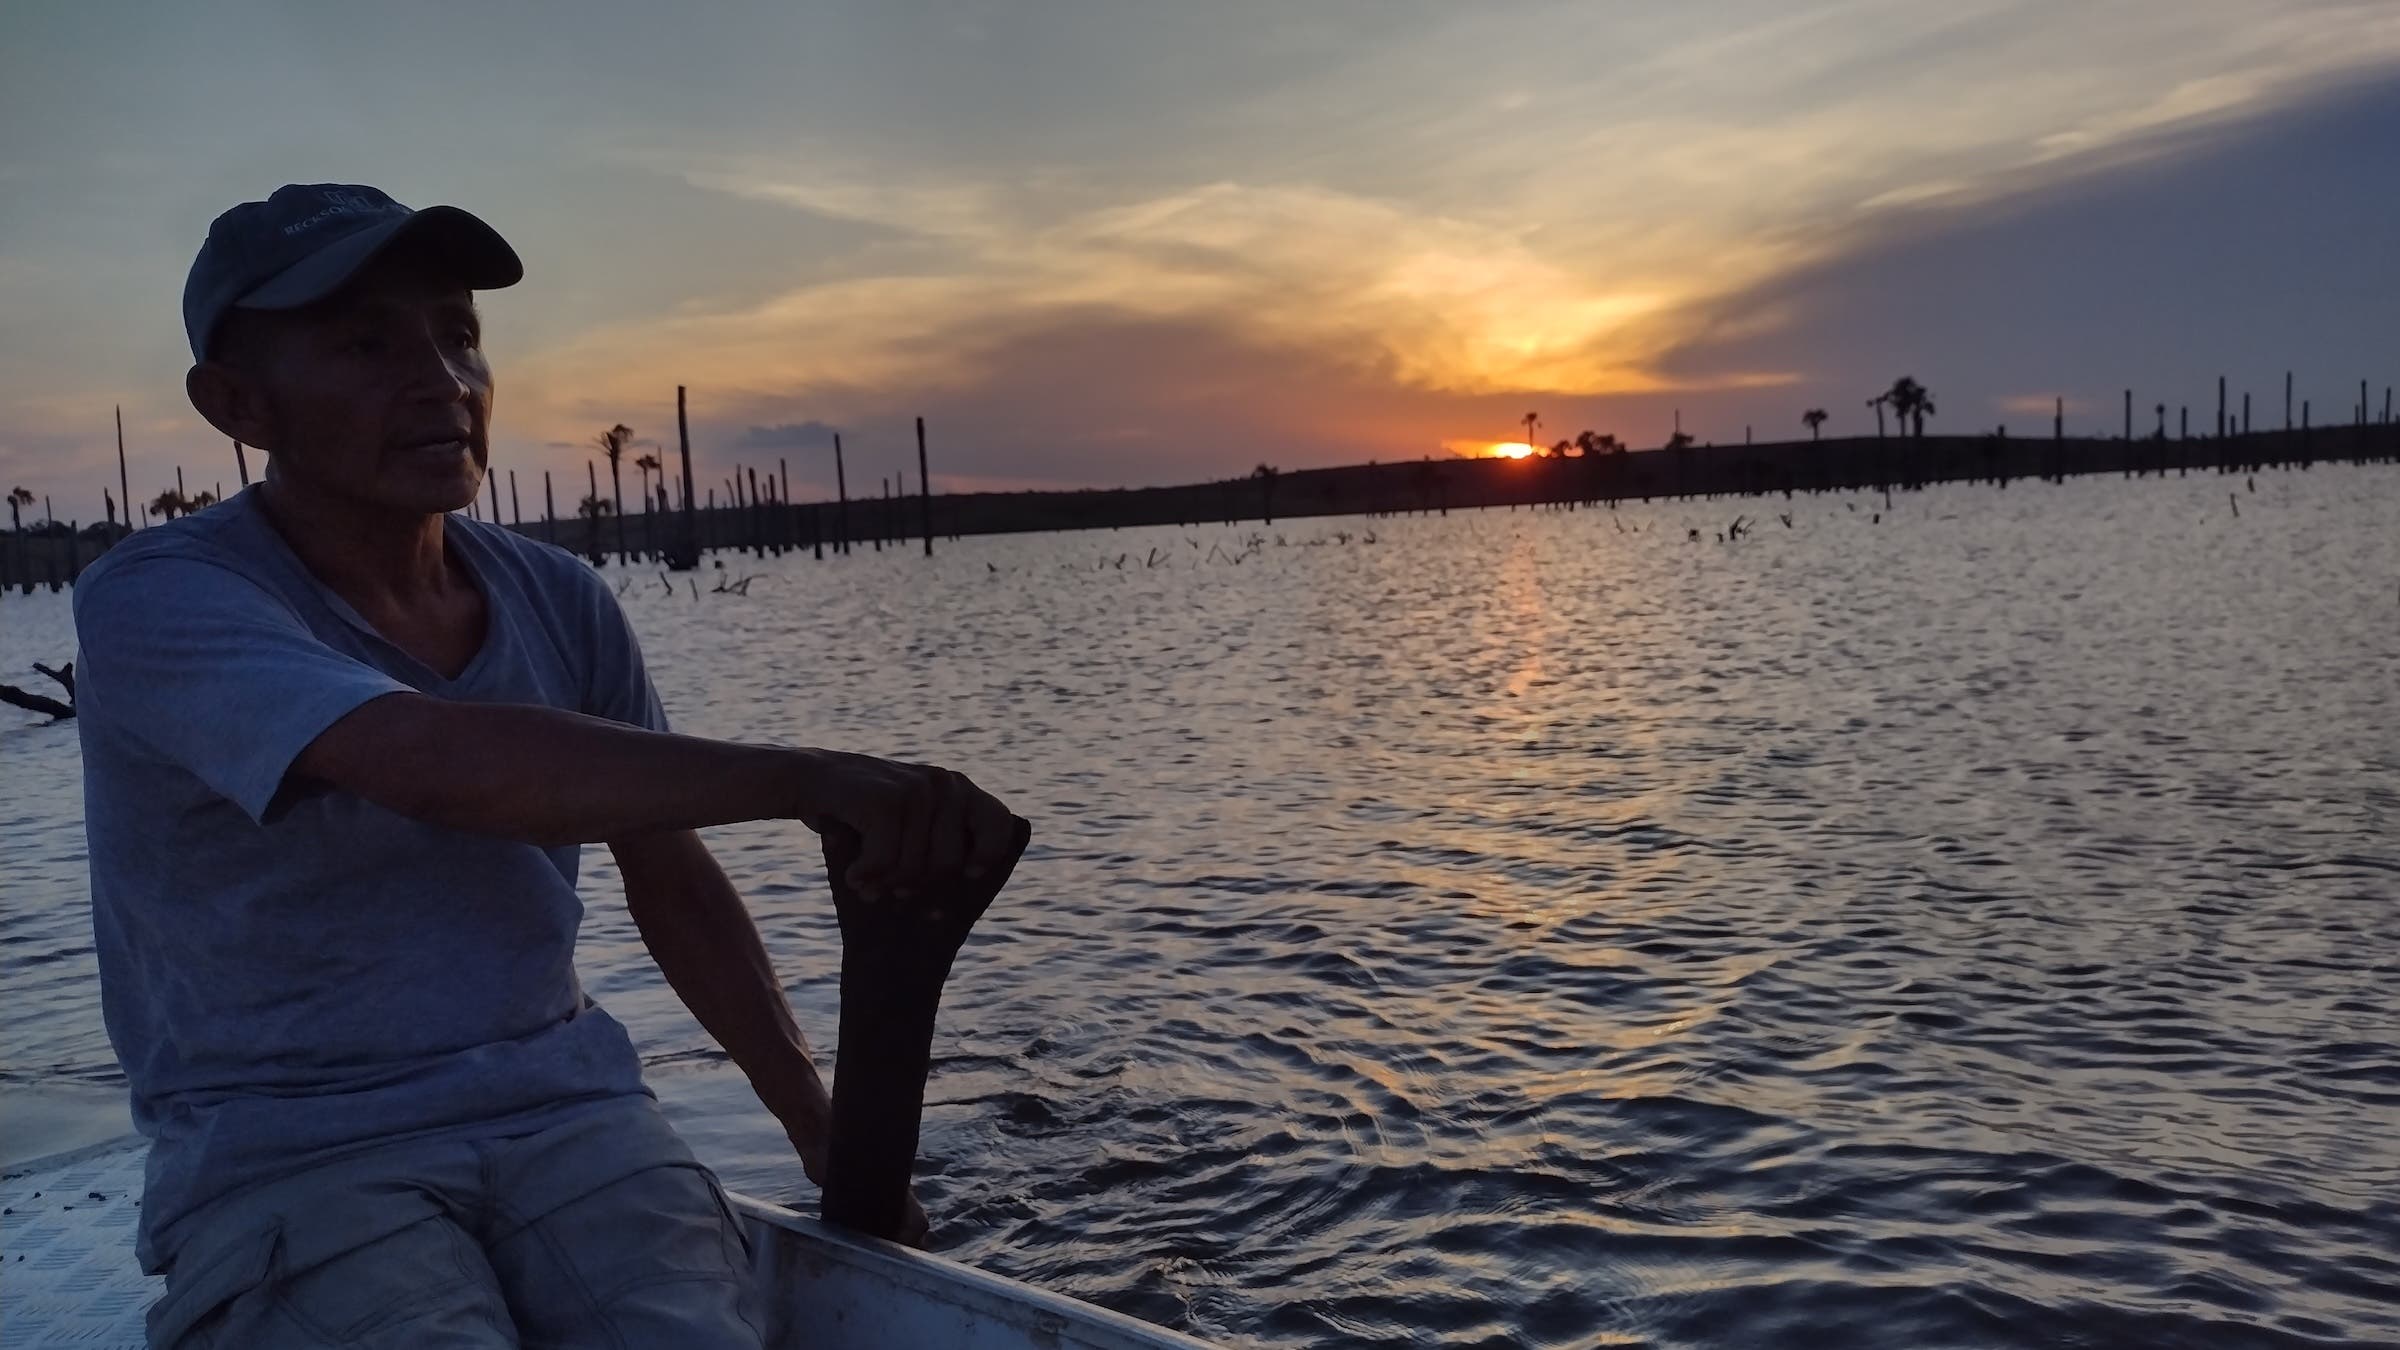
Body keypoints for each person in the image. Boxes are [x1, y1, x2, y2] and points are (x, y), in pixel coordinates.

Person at [72, 183, 1022, 1349]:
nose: (441, 380)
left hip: (570, 1118)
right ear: (237, 404)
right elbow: (428, 762)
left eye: (458, 334)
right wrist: (806, 778)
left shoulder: (559, 597)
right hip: (291, 1152)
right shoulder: (160, 597)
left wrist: (813, 1123)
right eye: (367, 345)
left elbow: (670, 878)